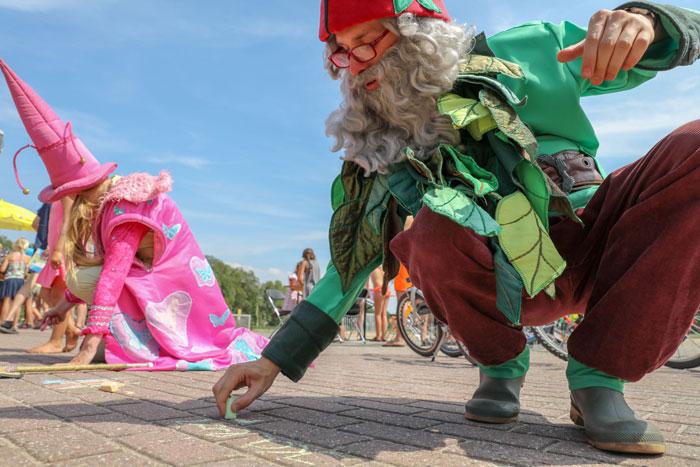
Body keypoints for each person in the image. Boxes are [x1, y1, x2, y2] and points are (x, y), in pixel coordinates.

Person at [214, 0, 700, 455]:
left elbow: (653, 50)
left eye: (366, 42)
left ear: (418, 33)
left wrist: (644, 21)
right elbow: (353, 261)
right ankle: (500, 368)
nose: (357, 66)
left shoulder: (528, 49)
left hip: (595, 245)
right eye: (341, 54)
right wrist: (272, 359)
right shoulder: (383, 148)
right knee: (432, 225)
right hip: (501, 278)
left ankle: (598, 379)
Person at [0, 59, 268, 370]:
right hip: (163, 286)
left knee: (87, 276)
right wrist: (62, 307)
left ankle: (130, 343)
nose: (71, 201)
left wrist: (88, 346)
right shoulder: (111, 200)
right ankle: (123, 343)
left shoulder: (125, 205)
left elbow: (113, 274)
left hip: (176, 292)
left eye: (73, 193)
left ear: (85, 188)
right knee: (83, 277)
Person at [0, 237, 30, 333]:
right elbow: (27, 273)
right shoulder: (27, 258)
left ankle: (2, 322)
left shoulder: (10, 256)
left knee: (6, 301)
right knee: (17, 303)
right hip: (20, 281)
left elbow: (2, 270)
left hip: (9, 279)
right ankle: (14, 325)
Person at [369, 266, 390, 341]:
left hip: (378, 289)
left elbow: (367, 283)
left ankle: (378, 336)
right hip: (387, 289)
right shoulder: (383, 268)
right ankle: (384, 336)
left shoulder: (372, 267)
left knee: (377, 314)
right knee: (384, 314)